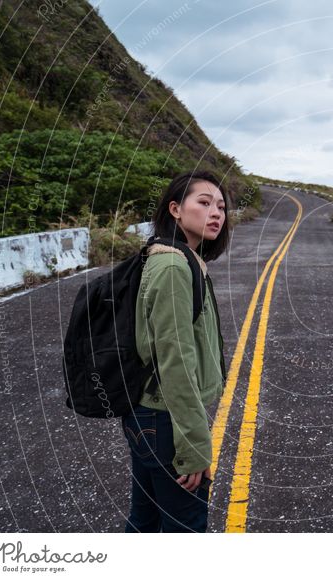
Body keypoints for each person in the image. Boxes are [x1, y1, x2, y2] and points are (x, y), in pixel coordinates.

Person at [121, 170, 230, 532]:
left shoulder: (178, 259)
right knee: (185, 530)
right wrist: (194, 445)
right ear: (176, 210)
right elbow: (175, 361)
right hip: (165, 420)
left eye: (221, 206)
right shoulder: (173, 267)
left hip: (149, 417)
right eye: (203, 203)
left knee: (146, 524)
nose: (216, 212)